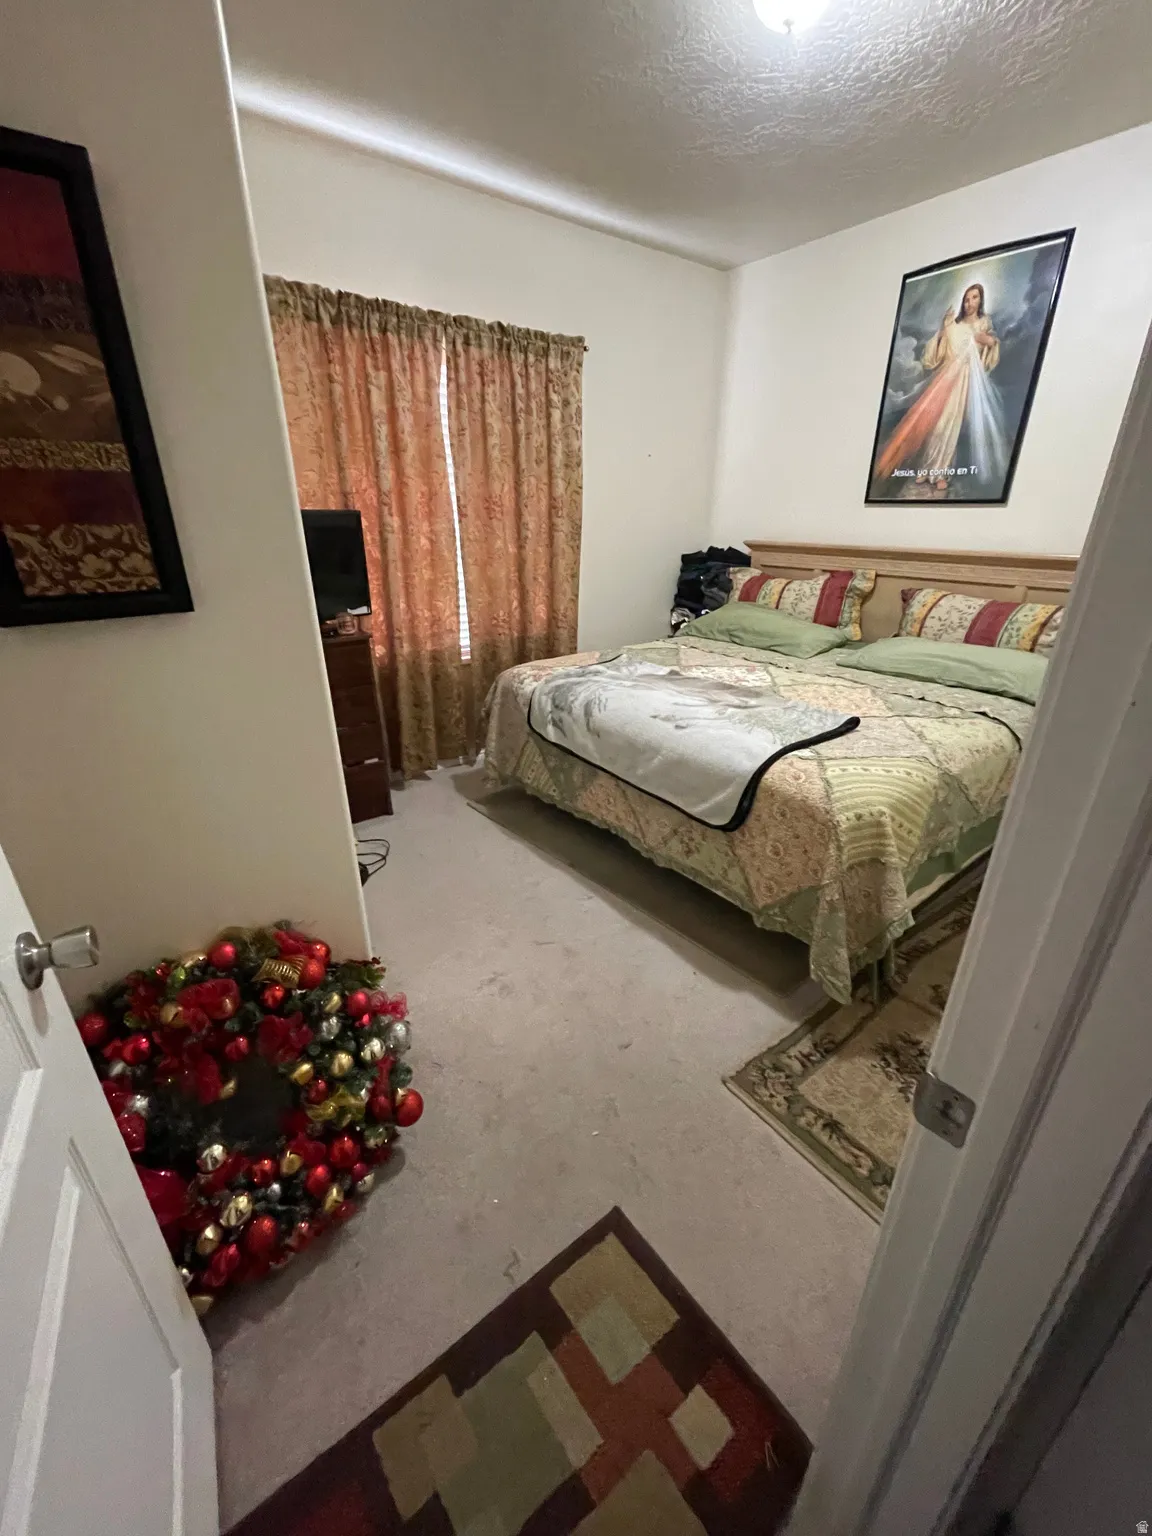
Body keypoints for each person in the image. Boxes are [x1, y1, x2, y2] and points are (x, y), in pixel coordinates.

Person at [873, 282, 1002, 492]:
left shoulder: (983, 323)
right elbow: (936, 355)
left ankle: (941, 472)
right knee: (935, 426)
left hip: (964, 380)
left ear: (981, 299)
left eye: (975, 297)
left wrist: (989, 341)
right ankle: (926, 469)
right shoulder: (954, 324)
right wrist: (943, 330)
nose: (970, 303)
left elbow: (989, 351)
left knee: (950, 427)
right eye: (967, 298)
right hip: (945, 378)